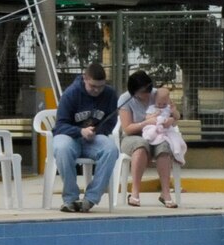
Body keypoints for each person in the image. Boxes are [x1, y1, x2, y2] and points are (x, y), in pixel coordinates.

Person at [51, 62, 118, 213]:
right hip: (69, 137)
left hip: (93, 139)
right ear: (84, 79)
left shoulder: (110, 94)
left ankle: (90, 199)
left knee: (111, 149)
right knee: (62, 147)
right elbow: (60, 126)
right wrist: (80, 131)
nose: (97, 90)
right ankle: (71, 199)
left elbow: (111, 121)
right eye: (93, 86)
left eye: (100, 86)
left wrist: (98, 131)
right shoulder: (71, 93)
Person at [116, 70, 176, 208]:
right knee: (140, 145)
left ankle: (165, 192)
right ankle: (135, 192)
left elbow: (173, 115)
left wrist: (170, 120)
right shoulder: (125, 99)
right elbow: (127, 128)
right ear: (134, 92)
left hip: (157, 134)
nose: (148, 95)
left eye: (149, 90)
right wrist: (145, 123)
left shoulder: (159, 94)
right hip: (133, 136)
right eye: (143, 92)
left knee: (164, 147)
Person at [142, 88, 188, 178]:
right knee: (151, 129)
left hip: (166, 129)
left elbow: (177, 117)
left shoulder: (168, 108)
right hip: (155, 125)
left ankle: (177, 151)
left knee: (174, 137)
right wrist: (155, 115)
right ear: (155, 100)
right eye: (159, 103)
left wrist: (174, 111)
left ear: (168, 101)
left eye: (164, 104)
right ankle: (150, 137)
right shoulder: (152, 108)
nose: (161, 106)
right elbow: (147, 118)